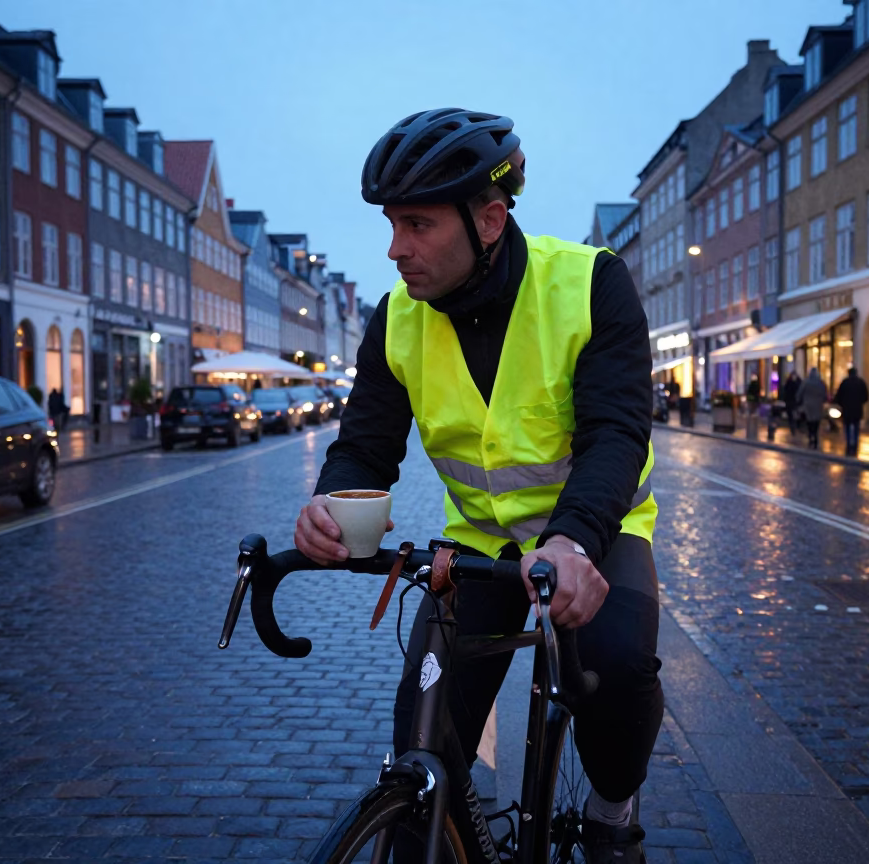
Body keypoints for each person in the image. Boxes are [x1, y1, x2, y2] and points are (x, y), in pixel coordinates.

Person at [294, 109, 660, 863]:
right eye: (393, 225)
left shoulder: (591, 283)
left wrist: (572, 538)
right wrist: (329, 505)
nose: (396, 249)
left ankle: (612, 806)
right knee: (422, 737)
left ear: (489, 219)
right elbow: (364, 447)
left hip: (597, 532)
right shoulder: (394, 318)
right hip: (481, 548)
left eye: (418, 225)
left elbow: (615, 434)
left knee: (616, 669)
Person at [833, 367, 869, 455]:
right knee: (856, 428)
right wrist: (860, 402)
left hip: (847, 410)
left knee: (848, 428)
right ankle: (855, 445)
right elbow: (866, 397)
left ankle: (849, 445)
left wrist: (842, 404)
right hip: (857, 410)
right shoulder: (861, 383)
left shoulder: (845, 383)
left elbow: (838, 396)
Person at [795, 368, 828, 450]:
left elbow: (800, 393)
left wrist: (798, 400)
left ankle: (811, 436)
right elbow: (825, 395)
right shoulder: (821, 383)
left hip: (808, 405)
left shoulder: (806, 382)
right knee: (816, 422)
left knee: (809, 422)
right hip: (818, 405)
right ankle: (815, 436)